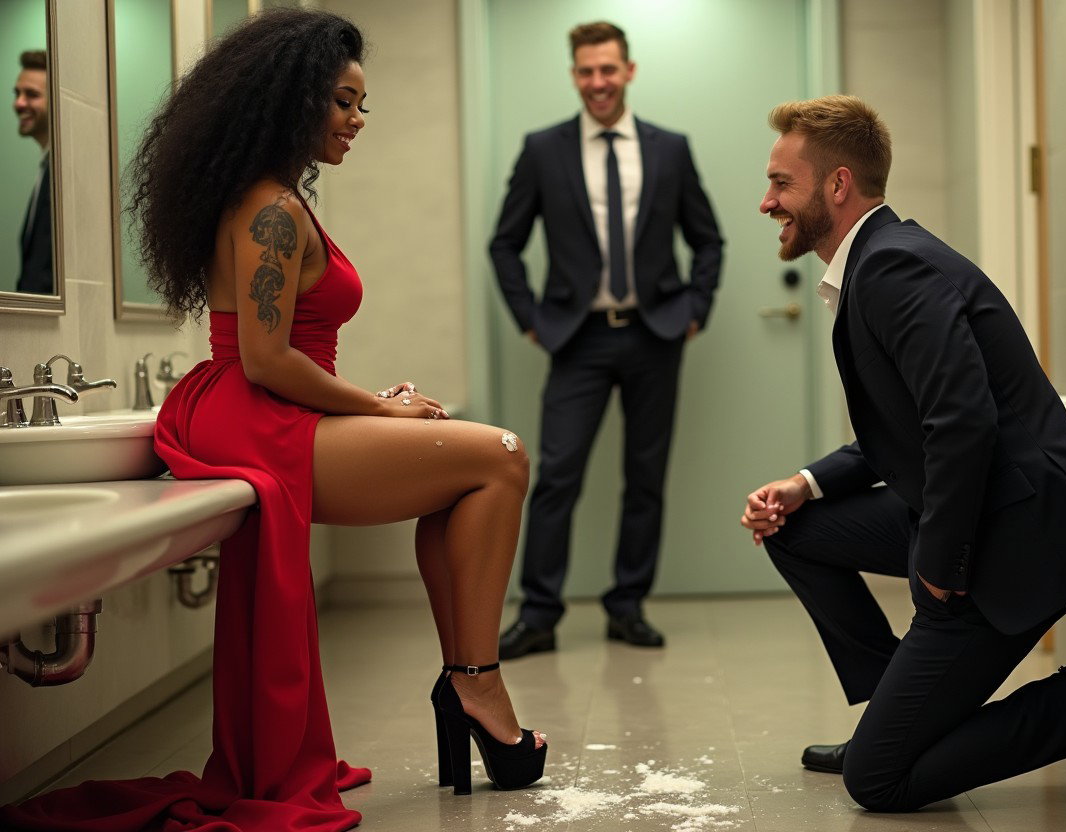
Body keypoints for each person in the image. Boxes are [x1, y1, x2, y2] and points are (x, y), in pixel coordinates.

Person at [1, 10, 543, 830]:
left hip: (262, 404)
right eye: (341, 102)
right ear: (291, 101)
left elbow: (280, 356)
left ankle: (468, 681)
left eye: (364, 104)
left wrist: (374, 405)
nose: (356, 120)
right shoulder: (271, 211)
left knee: (470, 476)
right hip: (259, 407)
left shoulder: (274, 199)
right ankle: (475, 683)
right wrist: (377, 405)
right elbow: (265, 358)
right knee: (500, 456)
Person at [740, 95, 1066, 812]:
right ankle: (898, 715)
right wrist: (807, 484)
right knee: (795, 531)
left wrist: (939, 563)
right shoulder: (877, 261)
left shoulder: (895, 267)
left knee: (878, 781)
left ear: (838, 185)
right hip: (976, 508)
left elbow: (962, 423)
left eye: (781, 183)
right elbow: (908, 429)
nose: (765, 201)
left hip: (1015, 532)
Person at [490, 21, 723, 658]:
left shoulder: (670, 149)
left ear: (629, 71)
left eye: (608, 70)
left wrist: (696, 307)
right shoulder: (544, 150)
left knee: (645, 478)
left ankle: (628, 606)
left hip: (656, 335)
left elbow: (708, 238)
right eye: (586, 71)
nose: (598, 82)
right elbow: (504, 243)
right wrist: (530, 318)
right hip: (578, 339)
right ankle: (538, 615)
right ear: (575, 76)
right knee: (558, 475)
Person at [13, 49, 53, 295]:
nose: (19, 103)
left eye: (32, 95)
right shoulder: (46, 169)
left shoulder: (63, 177)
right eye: (17, 93)